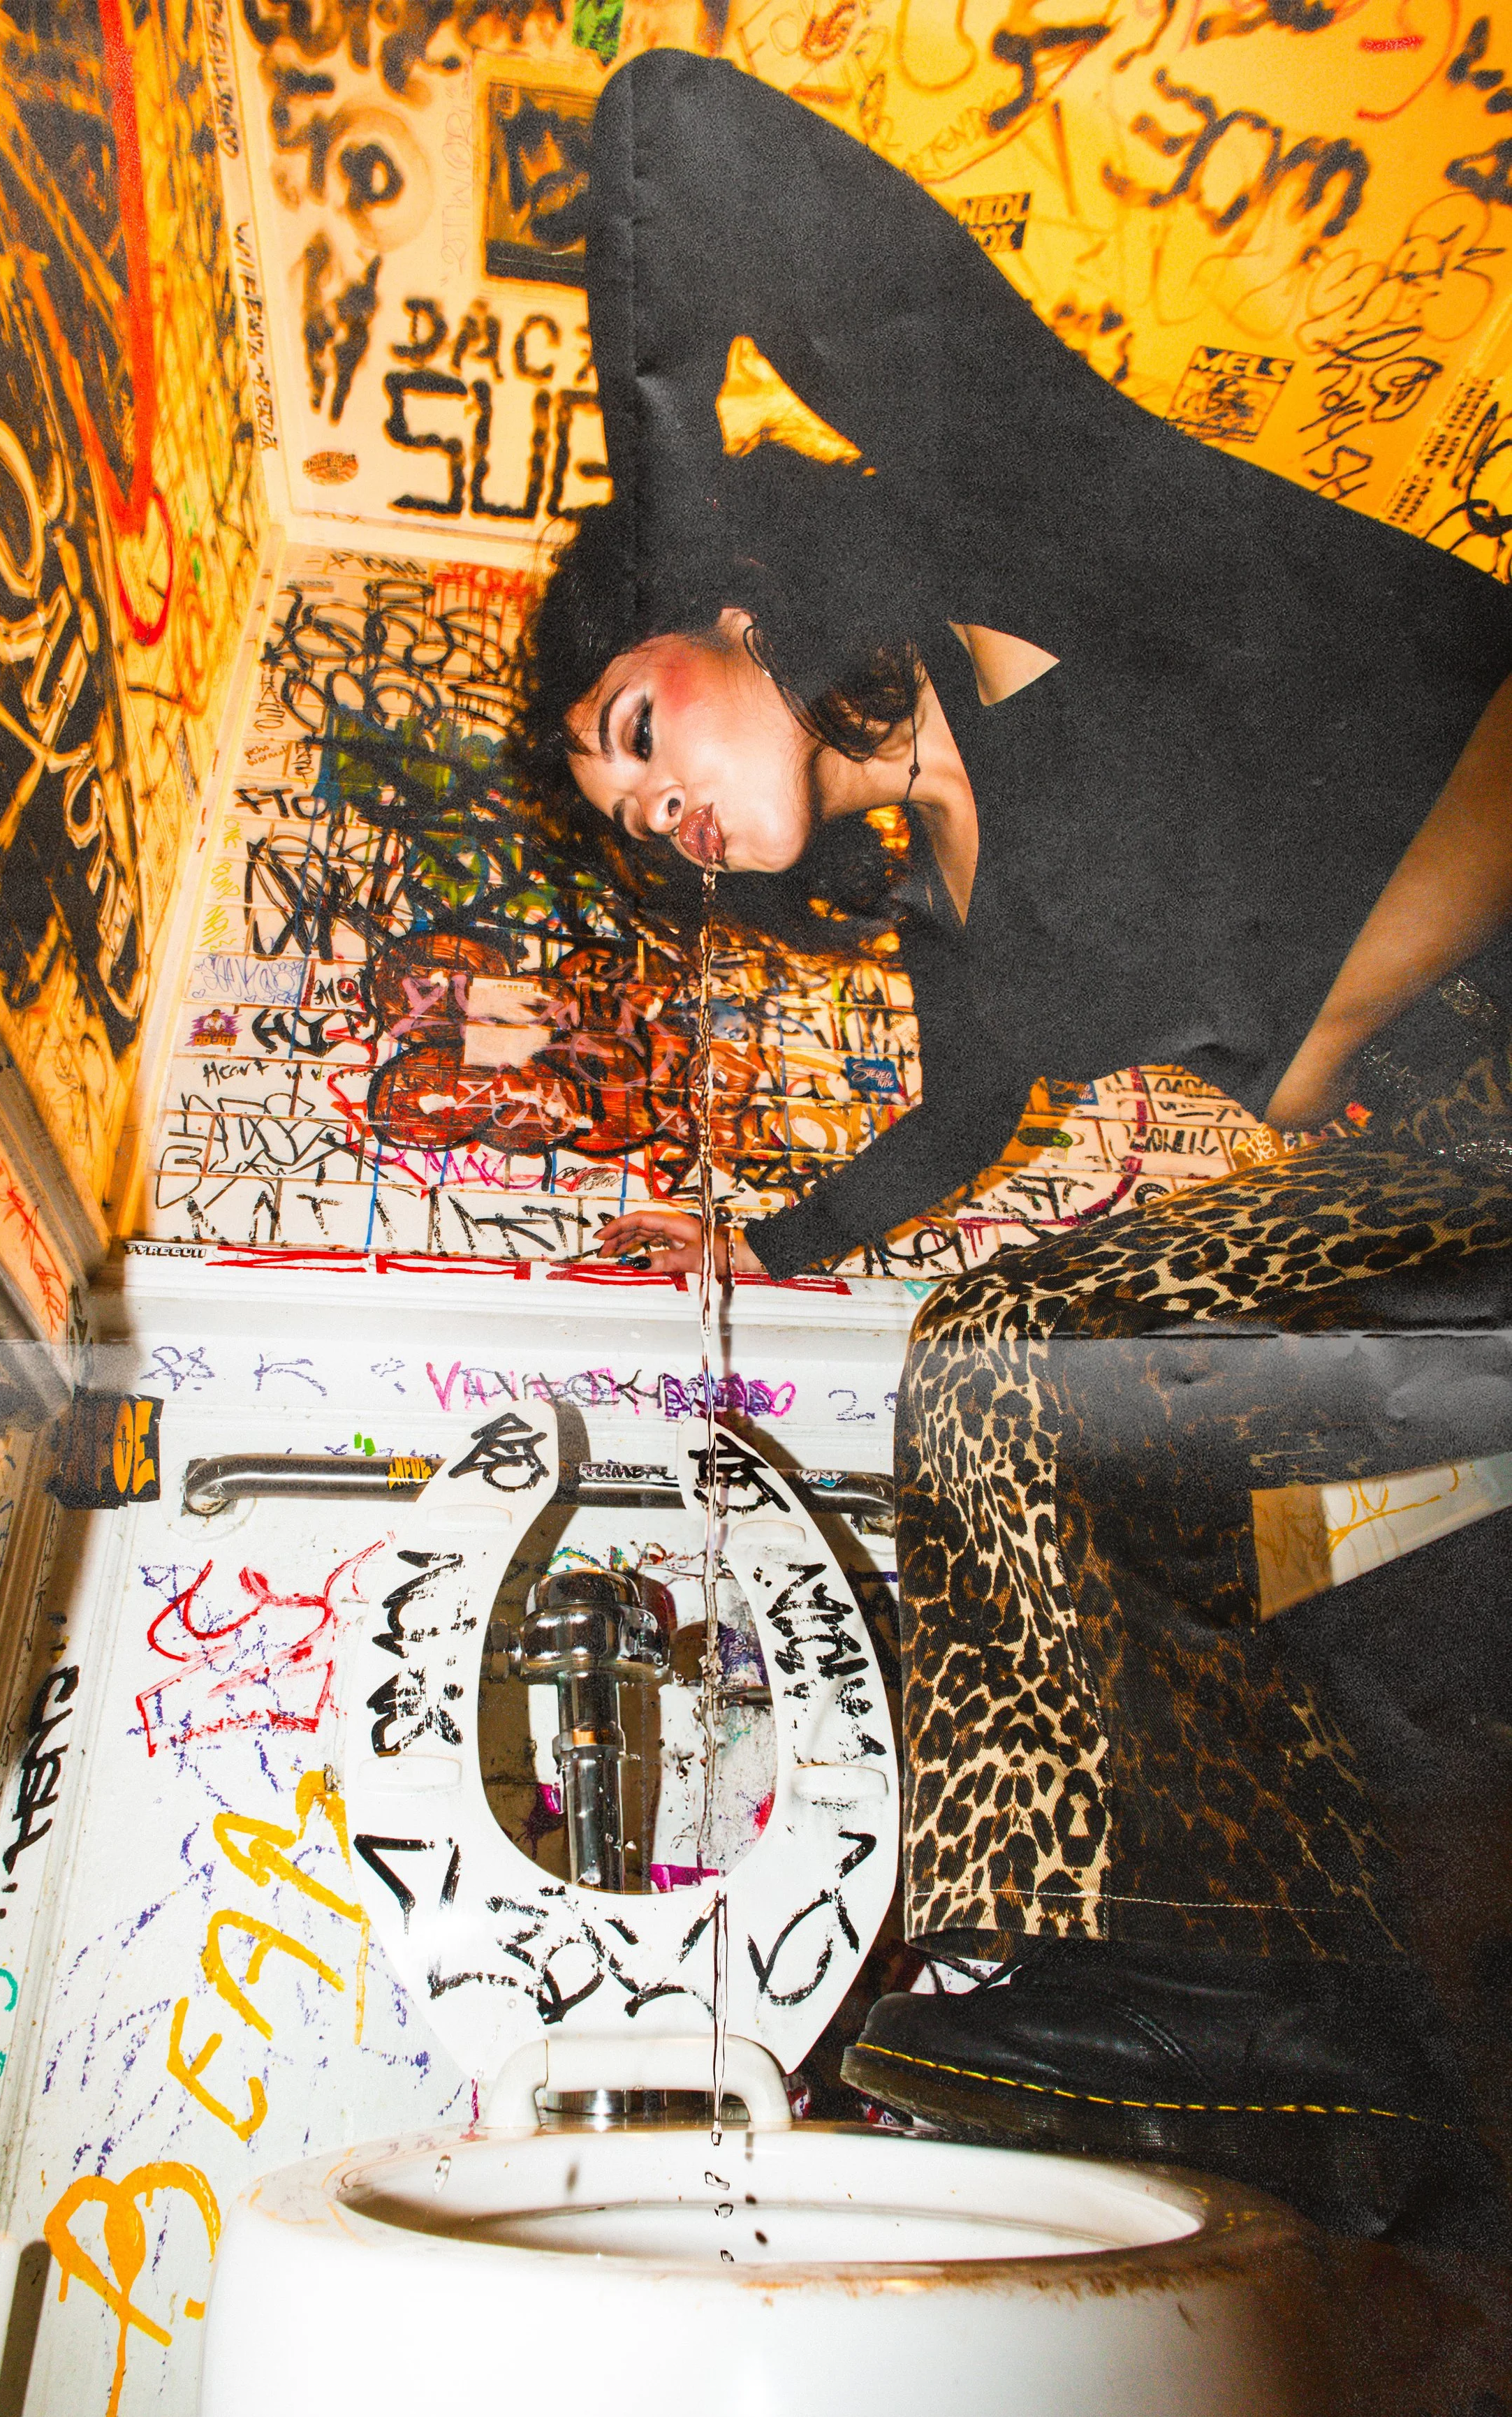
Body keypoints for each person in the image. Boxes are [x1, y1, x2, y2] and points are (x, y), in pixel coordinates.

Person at [507, 50, 1512, 2235]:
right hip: (1461, 1159)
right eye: (629, 819)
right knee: (1265, 1592)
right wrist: (781, 1228)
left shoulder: (1017, 514)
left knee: (1007, 1373)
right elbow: (965, 1119)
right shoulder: (944, 922)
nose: (653, 809)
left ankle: (1116, 1978)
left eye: (631, 729)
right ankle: (1271, 2046)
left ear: (728, 603)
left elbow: (671, 127)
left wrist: (665, 500)